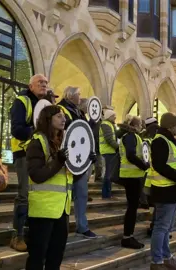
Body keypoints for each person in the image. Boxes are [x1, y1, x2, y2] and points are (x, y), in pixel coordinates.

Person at [25, 105, 71, 269]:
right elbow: (36, 175)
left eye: (64, 116)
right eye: (59, 116)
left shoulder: (66, 143)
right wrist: (58, 160)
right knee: (37, 257)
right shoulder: (37, 141)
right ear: (47, 119)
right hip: (43, 209)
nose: (63, 119)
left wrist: (85, 163)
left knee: (56, 256)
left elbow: (70, 176)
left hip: (61, 209)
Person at [147, 112, 176, 270]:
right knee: (161, 227)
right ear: (169, 126)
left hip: (171, 190)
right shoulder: (160, 141)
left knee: (167, 227)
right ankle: (157, 261)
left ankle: (166, 257)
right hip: (164, 190)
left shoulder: (168, 140)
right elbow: (161, 166)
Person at [9, 74, 48, 251]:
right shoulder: (22, 101)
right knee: (24, 194)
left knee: (36, 195)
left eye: (46, 83)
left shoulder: (46, 104)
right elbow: (17, 129)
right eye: (40, 82)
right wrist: (37, 131)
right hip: (24, 153)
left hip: (41, 154)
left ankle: (32, 232)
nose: (44, 85)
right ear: (30, 85)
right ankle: (17, 236)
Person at [58, 86, 98, 238]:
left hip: (81, 160)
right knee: (66, 195)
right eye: (79, 94)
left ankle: (82, 225)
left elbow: (85, 134)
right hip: (67, 158)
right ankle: (62, 226)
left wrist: (90, 152)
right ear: (70, 95)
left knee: (81, 193)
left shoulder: (79, 112)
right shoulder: (61, 109)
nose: (80, 97)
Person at [117, 115, 150, 249]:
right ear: (134, 125)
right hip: (131, 176)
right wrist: (144, 165)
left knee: (133, 207)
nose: (142, 127)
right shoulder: (130, 136)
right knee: (132, 208)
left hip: (133, 175)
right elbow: (131, 155)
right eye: (140, 124)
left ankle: (128, 236)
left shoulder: (131, 136)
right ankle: (127, 237)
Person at [99, 109, 119, 199]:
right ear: (109, 116)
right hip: (107, 152)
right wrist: (118, 148)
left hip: (110, 152)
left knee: (109, 174)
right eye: (113, 116)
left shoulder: (110, 124)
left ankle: (108, 193)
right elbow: (109, 139)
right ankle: (106, 194)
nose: (115, 117)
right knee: (107, 174)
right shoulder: (105, 124)